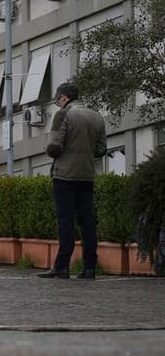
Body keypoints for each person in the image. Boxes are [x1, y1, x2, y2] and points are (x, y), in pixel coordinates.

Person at [41, 81, 108, 280]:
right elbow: (101, 150)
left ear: (63, 97)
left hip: (64, 175)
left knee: (66, 221)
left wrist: (60, 151)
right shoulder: (96, 116)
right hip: (86, 175)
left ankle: (62, 266)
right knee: (87, 221)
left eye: (58, 99)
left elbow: (53, 146)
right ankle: (89, 267)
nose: (58, 103)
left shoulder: (63, 114)